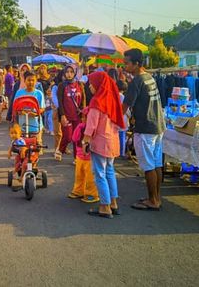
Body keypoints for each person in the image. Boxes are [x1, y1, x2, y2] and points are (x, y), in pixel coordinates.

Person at [122, 48, 166, 211]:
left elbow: (124, 106)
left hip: (146, 128)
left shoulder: (137, 81)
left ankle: (152, 201)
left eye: (127, 63)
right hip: (158, 126)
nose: (124, 66)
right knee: (156, 164)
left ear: (136, 64)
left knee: (148, 166)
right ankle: (156, 197)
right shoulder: (149, 77)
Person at [83, 71, 125, 218]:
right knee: (109, 172)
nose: (89, 86)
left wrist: (86, 141)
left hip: (100, 143)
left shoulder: (97, 102)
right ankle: (113, 203)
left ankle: (104, 206)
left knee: (100, 173)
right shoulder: (112, 100)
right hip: (112, 141)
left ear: (98, 84)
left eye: (91, 83)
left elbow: (91, 126)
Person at [67, 107, 99, 203]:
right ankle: (78, 191)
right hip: (82, 156)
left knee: (89, 177)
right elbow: (74, 138)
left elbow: (74, 138)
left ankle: (91, 194)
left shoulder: (84, 127)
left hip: (87, 157)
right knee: (81, 175)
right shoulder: (81, 127)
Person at [57, 64, 85, 163]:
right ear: (64, 73)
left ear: (75, 73)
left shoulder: (80, 85)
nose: (69, 74)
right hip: (66, 116)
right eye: (67, 72)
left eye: (71, 72)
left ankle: (76, 157)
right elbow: (60, 102)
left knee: (77, 138)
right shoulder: (62, 85)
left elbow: (83, 101)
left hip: (77, 117)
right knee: (68, 137)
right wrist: (62, 115)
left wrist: (83, 112)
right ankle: (60, 149)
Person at [13, 70, 45, 143]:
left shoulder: (39, 93)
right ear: (24, 81)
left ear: (36, 81)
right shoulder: (19, 93)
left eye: (33, 80)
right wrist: (20, 112)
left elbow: (42, 108)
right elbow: (15, 107)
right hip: (22, 125)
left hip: (36, 126)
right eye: (29, 80)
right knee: (22, 146)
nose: (31, 82)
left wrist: (35, 113)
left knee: (36, 146)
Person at [51, 70, 64, 161]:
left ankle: (63, 147)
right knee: (58, 132)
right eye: (64, 74)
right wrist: (62, 108)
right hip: (58, 111)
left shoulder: (69, 86)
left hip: (68, 111)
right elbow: (54, 99)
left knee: (67, 133)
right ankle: (57, 149)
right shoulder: (55, 87)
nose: (67, 76)